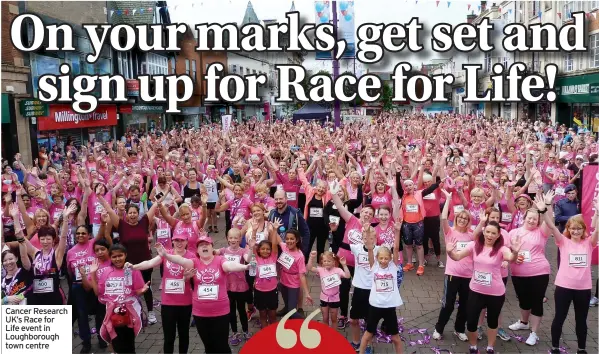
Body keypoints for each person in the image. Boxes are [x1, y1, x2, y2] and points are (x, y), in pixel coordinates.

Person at [154, 235, 250, 354]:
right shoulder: (194, 261)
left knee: (222, 346)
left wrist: (245, 266)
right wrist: (166, 255)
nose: (204, 246)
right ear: (197, 250)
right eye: (200, 245)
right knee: (208, 346)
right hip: (200, 313)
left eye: (207, 244)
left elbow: (229, 266)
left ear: (212, 247)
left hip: (221, 312)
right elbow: (181, 260)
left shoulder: (220, 260)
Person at [446, 221, 523, 354]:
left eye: (493, 233)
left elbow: (510, 258)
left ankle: (490, 347)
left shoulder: (501, 249)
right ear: (483, 232)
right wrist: (449, 251)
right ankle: (473, 346)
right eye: (488, 232)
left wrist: (515, 252)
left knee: (493, 322)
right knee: (471, 322)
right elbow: (457, 257)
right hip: (476, 291)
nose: (490, 235)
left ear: (498, 235)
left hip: (495, 292)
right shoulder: (474, 245)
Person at [124, 226, 196, 354]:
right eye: (177, 240)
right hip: (168, 303)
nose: (179, 243)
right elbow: (149, 263)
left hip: (185, 302)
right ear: (172, 241)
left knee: (184, 335)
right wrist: (134, 267)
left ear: (187, 241)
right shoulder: (165, 253)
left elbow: (188, 271)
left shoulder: (191, 256)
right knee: (169, 337)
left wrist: (186, 278)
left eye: (182, 240)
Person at [541, 201, 598, 354]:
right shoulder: (562, 241)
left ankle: (582, 348)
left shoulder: (589, 243)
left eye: (579, 228)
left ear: (583, 229)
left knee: (581, 320)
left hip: (583, 288)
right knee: (559, 317)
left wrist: (597, 213)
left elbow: (597, 231)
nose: (576, 231)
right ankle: (554, 347)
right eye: (573, 228)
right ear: (568, 229)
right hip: (563, 287)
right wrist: (544, 209)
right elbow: (552, 226)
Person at [97, 194, 160, 325]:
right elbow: (109, 210)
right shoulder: (121, 225)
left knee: (146, 287)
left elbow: (154, 206)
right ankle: (133, 313)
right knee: (130, 289)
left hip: (145, 262)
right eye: (130, 213)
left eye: (134, 213)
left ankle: (151, 312)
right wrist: (102, 199)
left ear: (138, 213)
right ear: (126, 214)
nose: (132, 215)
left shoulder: (144, 222)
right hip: (128, 265)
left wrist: (160, 198)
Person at [507, 192, 554, 346]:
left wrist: (547, 206)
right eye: (530, 218)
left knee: (536, 302)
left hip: (538, 272)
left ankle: (534, 332)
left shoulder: (542, 232)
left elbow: (550, 223)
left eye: (535, 219)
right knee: (523, 299)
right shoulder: (514, 232)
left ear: (539, 220)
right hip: (518, 272)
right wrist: (512, 256)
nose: (532, 220)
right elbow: (506, 251)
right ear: (524, 218)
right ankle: (524, 322)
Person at [88, 244, 151, 354]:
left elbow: (137, 291)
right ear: (110, 257)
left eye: (120, 256)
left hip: (129, 314)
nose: (117, 259)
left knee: (129, 345)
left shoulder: (132, 270)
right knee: (116, 344)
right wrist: (93, 273)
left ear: (125, 255)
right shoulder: (106, 272)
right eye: (114, 256)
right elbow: (98, 292)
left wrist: (142, 291)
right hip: (111, 314)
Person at [432, 190, 473, 342]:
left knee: (465, 305)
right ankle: (439, 328)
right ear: (456, 218)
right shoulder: (450, 232)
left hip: (468, 275)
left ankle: (459, 329)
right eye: (460, 217)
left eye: (465, 218)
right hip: (452, 274)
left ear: (469, 221)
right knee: (448, 304)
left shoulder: (472, 235)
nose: (462, 219)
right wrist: (448, 199)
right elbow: (443, 217)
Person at [358, 220, 404, 354]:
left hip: (389, 307)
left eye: (386, 258)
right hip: (375, 306)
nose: (383, 261)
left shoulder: (394, 267)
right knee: (368, 334)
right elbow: (370, 247)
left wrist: (397, 231)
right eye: (381, 258)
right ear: (377, 258)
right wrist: (367, 231)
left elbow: (395, 248)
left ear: (390, 258)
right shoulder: (374, 266)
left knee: (395, 338)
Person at [306, 250, 351, 328]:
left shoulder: (338, 270)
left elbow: (347, 276)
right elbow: (309, 268)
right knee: (325, 318)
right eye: (325, 261)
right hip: (324, 298)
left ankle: (333, 335)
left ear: (334, 262)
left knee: (334, 319)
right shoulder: (321, 270)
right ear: (322, 262)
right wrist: (311, 257)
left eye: (329, 261)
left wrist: (344, 265)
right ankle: (326, 334)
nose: (326, 263)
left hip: (335, 299)